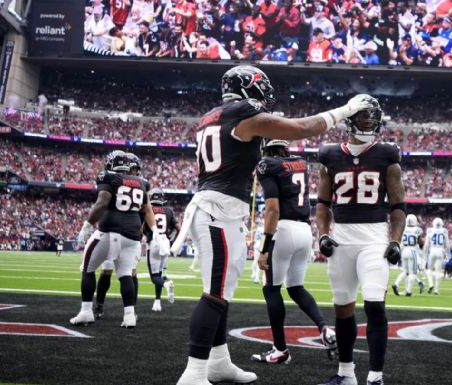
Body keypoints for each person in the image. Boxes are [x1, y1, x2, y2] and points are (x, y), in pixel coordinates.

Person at [169, 65, 372, 385]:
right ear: (249, 88)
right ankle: (193, 373)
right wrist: (344, 110)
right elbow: (301, 127)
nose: (265, 95)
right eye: (261, 88)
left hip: (221, 210)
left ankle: (218, 362)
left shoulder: (214, 115)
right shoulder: (243, 114)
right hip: (217, 211)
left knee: (220, 292)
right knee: (214, 295)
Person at [316, 95, 406, 385]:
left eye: (373, 115)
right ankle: (345, 374)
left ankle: (376, 377)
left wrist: (395, 240)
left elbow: (398, 206)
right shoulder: (329, 155)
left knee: (374, 304)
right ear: (350, 119)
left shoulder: (387, 154)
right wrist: (322, 235)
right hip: (342, 238)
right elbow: (322, 204)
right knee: (342, 307)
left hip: (374, 238)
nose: (369, 120)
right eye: (364, 115)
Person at [250, 139, 336, 364]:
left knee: (271, 290)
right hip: (304, 230)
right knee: (296, 288)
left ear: (266, 149)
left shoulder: (267, 164)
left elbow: (272, 209)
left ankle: (280, 349)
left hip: (284, 230)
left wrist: (264, 248)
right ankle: (324, 328)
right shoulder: (300, 162)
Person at [71, 150, 163, 328]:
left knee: (87, 268)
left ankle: (86, 312)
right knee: (126, 274)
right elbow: (146, 209)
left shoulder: (109, 177)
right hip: (132, 237)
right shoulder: (141, 182)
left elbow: (102, 202)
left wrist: (87, 225)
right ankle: (129, 316)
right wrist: (156, 232)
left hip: (110, 232)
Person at [93, 152, 144, 319]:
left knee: (128, 272)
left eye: (136, 169)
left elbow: (145, 210)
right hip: (128, 232)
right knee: (111, 271)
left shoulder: (113, 179)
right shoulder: (140, 183)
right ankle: (104, 306)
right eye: (133, 168)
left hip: (118, 231)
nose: (134, 172)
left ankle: (129, 310)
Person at [145, 188, 180, 312]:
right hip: (165, 242)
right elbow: (178, 228)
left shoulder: (148, 209)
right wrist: (171, 241)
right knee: (159, 274)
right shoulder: (169, 210)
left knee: (155, 277)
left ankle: (166, 284)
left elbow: (142, 228)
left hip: (154, 242)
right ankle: (157, 302)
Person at [391, 214, 424, 296]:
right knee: (413, 273)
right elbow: (420, 242)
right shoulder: (417, 229)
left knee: (406, 272)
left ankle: (396, 284)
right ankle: (409, 291)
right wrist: (422, 247)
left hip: (404, 251)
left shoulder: (403, 229)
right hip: (412, 251)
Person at [423, 217, 449, 295]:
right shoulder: (444, 231)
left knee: (429, 270)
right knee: (438, 271)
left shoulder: (430, 230)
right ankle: (436, 290)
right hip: (440, 251)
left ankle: (431, 284)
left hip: (432, 250)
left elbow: (426, 245)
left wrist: (424, 254)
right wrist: (448, 254)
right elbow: (447, 245)